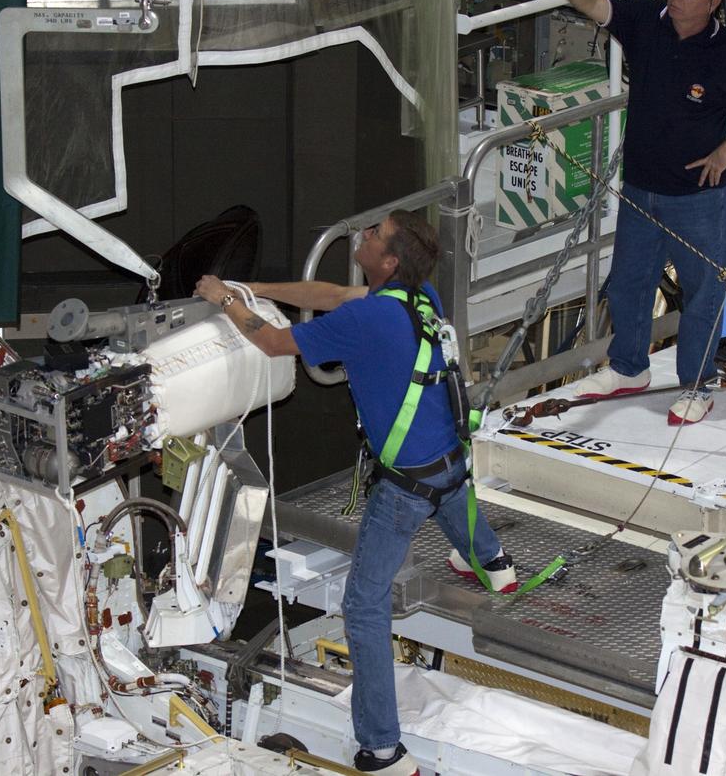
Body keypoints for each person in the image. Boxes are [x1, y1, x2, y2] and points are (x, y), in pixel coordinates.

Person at [195, 210, 516, 776]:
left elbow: (271, 342)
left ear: (389, 260)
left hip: (404, 489)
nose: (362, 236)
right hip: (447, 460)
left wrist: (226, 299)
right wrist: (260, 288)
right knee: (450, 496)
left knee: (364, 609)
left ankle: (383, 750)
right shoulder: (419, 299)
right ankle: (493, 562)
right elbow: (335, 293)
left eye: (373, 235)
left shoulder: (369, 319)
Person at [537, 0, 726, 424]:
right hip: (640, 190)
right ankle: (629, 368)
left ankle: (698, 385)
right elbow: (593, 2)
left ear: (714, 1)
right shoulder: (644, 21)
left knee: (702, 294)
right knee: (630, 285)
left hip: (700, 199)